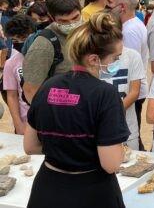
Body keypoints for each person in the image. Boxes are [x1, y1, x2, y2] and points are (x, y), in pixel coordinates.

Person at [24, 13, 130, 208]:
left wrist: (63, 149)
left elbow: (30, 146)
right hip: (92, 192)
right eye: (115, 57)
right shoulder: (105, 95)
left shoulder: (47, 86)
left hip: (47, 189)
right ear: (93, 59)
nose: (118, 62)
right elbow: (111, 164)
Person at [106, 0, 149, 151]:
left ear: (122, 7)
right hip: (130, 90)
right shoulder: (133, 24)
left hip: (130, 92)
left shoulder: (129, 31)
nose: (107, 6)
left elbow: (126, 66)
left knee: (130, 134)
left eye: (110, 3)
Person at [22, 0, 83, 103]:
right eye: (63, 21)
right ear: (51, 17)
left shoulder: (90, 31)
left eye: (75, 18)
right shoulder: (43, 45)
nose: (71, 24)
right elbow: (31, 90)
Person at [3, 14, 35, 134]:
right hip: (25, 121)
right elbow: (11, 96)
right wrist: (18, 124)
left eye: (24, 38)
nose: (21, 43)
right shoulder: (11, 63)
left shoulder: (46, 58)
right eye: (16, 40)